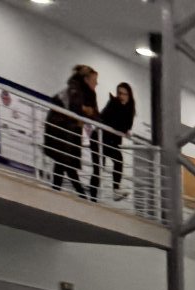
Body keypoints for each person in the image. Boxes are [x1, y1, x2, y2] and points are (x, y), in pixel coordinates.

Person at [42, 64, 97, 195]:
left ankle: (58, 191)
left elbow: (94, 114)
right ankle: (81, 195)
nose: (96, 83)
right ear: (86, 79)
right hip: (60, 128)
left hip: (66, 129)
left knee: (63, 162)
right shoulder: (75, 89)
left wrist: (88, 113)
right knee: (66, 162)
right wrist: (85, 110)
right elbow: (74, 108)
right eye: (94, 80)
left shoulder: (83, 92)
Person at [97, 81, 135, 201]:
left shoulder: (129, 109)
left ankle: (115, 190)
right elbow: (107, 120)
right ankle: (97, 193)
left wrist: (124, 129)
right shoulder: (113, 103)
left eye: (124, 94)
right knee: (100, 165)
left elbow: (126, 126)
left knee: (118, 161)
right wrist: (123, 128)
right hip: (103, 138)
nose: (121, 96)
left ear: (129, 95)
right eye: (119, 93)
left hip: (112, 140)